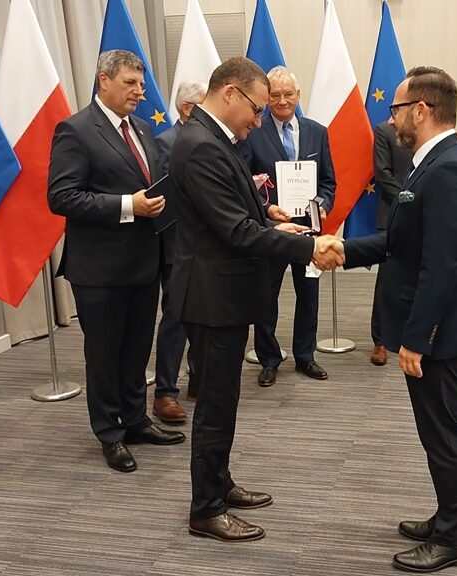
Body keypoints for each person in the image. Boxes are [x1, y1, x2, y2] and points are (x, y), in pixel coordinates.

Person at [168, 57, 342, 542]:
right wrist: (307, 243)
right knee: (216, 406)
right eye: (257, 109)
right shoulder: (201, 145)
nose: (260, 120)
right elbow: (235, 230)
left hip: (221, 290)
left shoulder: (214, 138)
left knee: (225, 401)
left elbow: (241, 214)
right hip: (211, 296)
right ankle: (205, 508)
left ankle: (219, 483)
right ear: (230, 94)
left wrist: (273, 223)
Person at [328, 66, 457, 573]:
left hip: (443, 333)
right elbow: (404, 242)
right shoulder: (429, 163)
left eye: (396, 109)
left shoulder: (451, 169)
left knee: (443, 433)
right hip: (435, 330)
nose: (389, 118)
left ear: (420, 109)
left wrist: (416, 339)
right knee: (435, 432)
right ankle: (448, 517)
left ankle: (456, 537)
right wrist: (343, 250)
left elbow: (441, 265)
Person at [48, 49, 186, 474]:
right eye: (130, 83)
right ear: (103, 80)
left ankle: (137, 419)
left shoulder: (144, 129)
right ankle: (109, 432)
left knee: (135, 350)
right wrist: (129, 205)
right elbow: (62, 196)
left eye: (141, 85)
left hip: (144, 262)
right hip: (99, 269)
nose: (139, 92)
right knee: (105, 354)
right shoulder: (75, 130)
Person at [238, 66, 335, 387]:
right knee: (266, 296)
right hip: (271, 231)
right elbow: (245, 185)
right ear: (267, 98)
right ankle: (269, 358)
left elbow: (329, 183)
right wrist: (267, 209)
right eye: (275, 95)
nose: (282, 101)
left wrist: (321, 203)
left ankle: (305, 355)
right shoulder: (254, 131)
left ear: (298, 95)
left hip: (309, 230)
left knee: (309, 293)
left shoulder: (317, 132)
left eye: (288, 94)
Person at [150, 79, 207, 423]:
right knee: (175, 319)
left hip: (208, 246)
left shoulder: (211, 138)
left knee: (203, 316)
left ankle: (198, 380)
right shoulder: (165, 143)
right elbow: (165, 196)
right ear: (187, 108)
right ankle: (165, 392)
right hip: (177, 247)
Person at [369, 119, 414, 366]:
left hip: (427, 215)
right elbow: (382, 173)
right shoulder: (385, 131)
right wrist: (410, 200)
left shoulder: (432, 132)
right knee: (388, 280)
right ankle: (381, 340)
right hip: (394, 213)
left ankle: (412, 335)